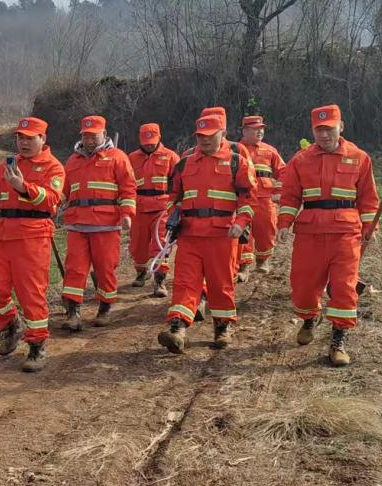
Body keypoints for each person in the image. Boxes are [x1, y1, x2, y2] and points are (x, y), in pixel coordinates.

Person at [276, 105, 379, 366]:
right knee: (303, 287)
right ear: (313, 131)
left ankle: (338, 341)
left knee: (344, 287)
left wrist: (370, 227)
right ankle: (310, 317)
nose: (324, 135)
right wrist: (284, 223)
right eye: (319, 130)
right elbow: (290, 196)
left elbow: (368, 198)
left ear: (340, 127)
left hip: (346, 233)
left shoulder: (359, 157)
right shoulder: (300, 160)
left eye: (329, 129)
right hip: (309, 233)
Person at [0, 116, 65, 371]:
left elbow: (51, 199)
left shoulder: (53, 167)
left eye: (30, 138)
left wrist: (22, 187)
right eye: (20, 138)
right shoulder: (9, 164)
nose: (24, 143)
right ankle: (11, 324)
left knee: (31, 294)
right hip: (2, 234)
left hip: (33, 237)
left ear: (43, 139)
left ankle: (37, 346)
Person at [157, 110, 258, 353]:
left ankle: (222, 326)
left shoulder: (237, 162)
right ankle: (178, 328)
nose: (204, 140)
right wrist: (173, 215)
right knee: (185, 282)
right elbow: (173, 197)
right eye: (200, 135)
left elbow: (249, 199)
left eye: (210, 135)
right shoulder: (185, 163)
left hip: (222, 235)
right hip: (190, 234)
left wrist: (241, 222)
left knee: (220, 283)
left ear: (223, 133)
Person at [61, 115, 137, 330]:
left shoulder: (118, 157)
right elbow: (64, 191)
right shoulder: (73, 160)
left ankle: (105, 307)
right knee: (74, 268)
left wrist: (127, 214)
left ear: (104, 134)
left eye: (93, 136)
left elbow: (128, 188)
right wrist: (49, 205)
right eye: (85, 136)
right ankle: (73, 312)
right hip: (77, 223)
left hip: (106, 224)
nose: (89, 140)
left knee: (105, 268)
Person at [126, 122, 179, 298]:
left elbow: (179, 182)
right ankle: (141, 272)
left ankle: (159, 280)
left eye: (152, 142)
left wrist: (176, 206)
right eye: (146, 142)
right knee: (137, 246)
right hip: (139, 207)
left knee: (161, 245)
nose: (149, 145)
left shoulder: (171, 156)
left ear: (159, 138)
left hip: (162, 208)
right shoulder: (131, 158)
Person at [236, 114, 287, 275]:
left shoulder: (270, 150)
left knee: (266, 229)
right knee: (243, 231)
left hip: (265, 198)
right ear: (244, 131)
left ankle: (263, 260)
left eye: (261, 129)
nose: (260, 132)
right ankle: (243, 265)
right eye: (255, 129)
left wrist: (278, 192)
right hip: (243, 197)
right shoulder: (235, 149)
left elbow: (284, 172)